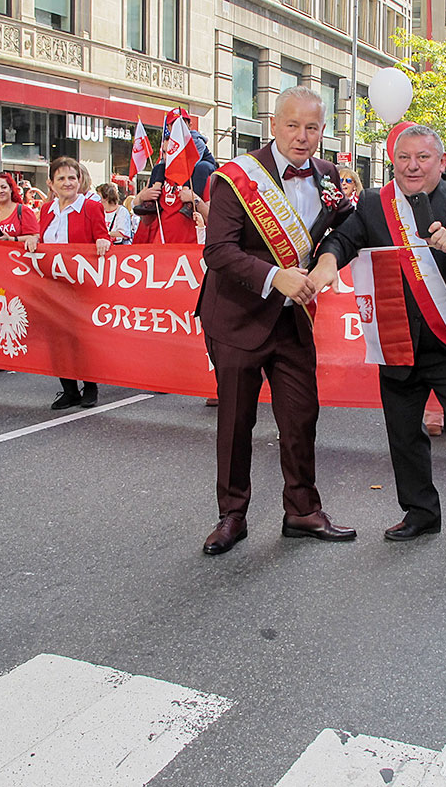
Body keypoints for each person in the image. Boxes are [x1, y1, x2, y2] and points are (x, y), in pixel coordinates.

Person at [311, 124, 446, 550]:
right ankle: (421, 512)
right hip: (398, 334)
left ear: (442, 161)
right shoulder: (374, 203)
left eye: (422, 157)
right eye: (404, 158)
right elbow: (344, 239)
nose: (412, 166)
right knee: (402, 431)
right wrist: (328, 262)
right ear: (393, 162)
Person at [197, 86, 357, 555]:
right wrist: (274, 277)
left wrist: (327, 258)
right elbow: (218, 251)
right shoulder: (237, 178)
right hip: (238, 317)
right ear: (273, 125)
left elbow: (345, 227)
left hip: (293, 321)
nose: (302, 136)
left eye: (312, 127)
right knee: (235, 423)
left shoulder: (328, 175)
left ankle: (302, 510)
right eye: (292, 125)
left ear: (323, 131)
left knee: (301, 417)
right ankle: (232, 515)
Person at [31, 156, 111, 410]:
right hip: (53, 286)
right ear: (51, 183)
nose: (67, 183)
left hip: (81, 285)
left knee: (82, 338)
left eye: (72, 178)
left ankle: (90, 387)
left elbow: (103, 238)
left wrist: (102, 241)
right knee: (58, 339)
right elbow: (44, 240)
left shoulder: (91, 207)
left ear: (80, 180)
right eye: (61, 178)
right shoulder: (47, 210)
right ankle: (68, 389)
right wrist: (34, 240)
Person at [133, 110, 216, 244]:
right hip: (164, 249)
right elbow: (146, 220)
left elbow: (214, 220)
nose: (168, 156)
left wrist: (195, 200)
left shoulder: (203, 177)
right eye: (165, 152)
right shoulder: (159, 175)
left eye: (172, 151)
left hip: (190, 251)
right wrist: (143, 197)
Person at [0, 172, 39, 249]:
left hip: (18, 255)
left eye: (4, 187)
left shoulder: (23, 210)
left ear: (11, 189)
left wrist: (11, 239)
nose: (0, 191)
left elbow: (35, 237)